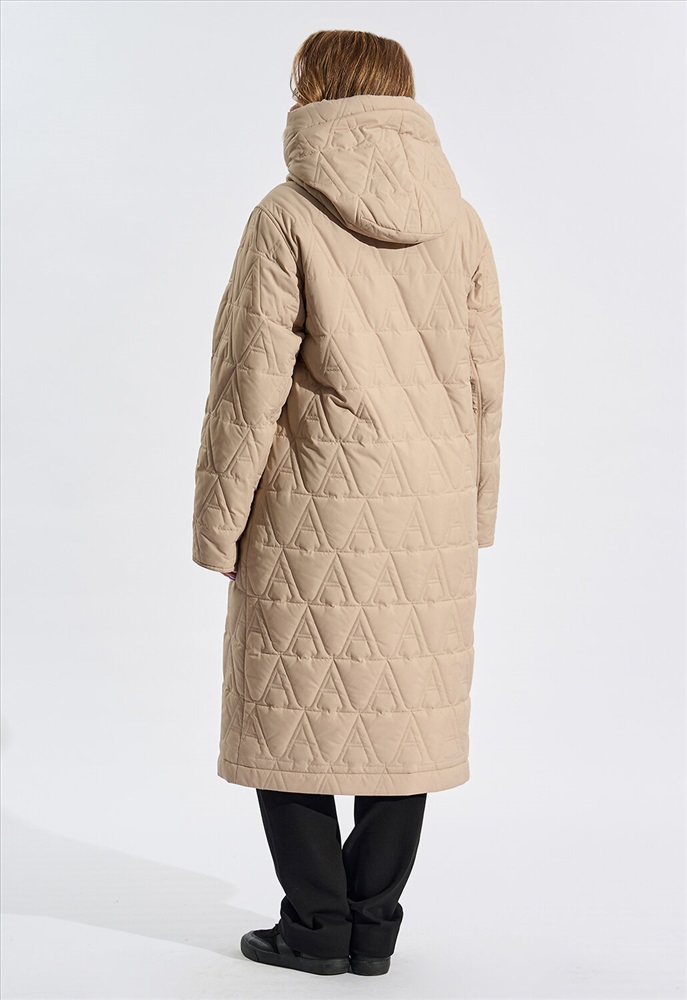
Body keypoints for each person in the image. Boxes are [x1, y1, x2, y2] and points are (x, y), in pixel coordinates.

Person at [191, 28, 505, 978]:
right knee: (403, 714)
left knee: (288, 708)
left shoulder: (285, 214)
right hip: (427, 513)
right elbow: (484, 385)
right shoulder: (460, 221)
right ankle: (373, 927)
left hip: (310, 504)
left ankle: (315, 927)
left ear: (314, 92)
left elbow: (247, 385)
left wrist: (218, 525)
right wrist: (475, 511)